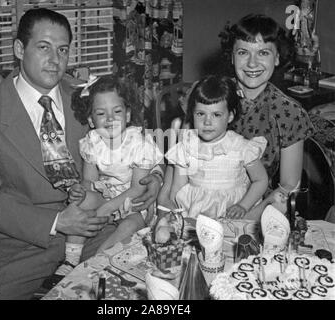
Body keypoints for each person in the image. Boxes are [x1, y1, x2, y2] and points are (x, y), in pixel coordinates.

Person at [0, 8, 161, 300]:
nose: (55, 59)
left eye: (62, 49)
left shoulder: (89, 98)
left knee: (144, 285)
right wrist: (57, 222)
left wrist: (154, 176)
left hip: (93, 227)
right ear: (18, 49)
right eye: (43, 47)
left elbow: (133, 143)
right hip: (15, 245)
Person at [54, 75, 163, 276]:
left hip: (134, 203)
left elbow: (137, 189)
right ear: (91, 120)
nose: (110, 119)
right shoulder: (92, 142)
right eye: (101, 113)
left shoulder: (140, 144)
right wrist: (81, 191)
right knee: (81, 202)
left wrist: (107, 208)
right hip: (106, 196)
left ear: (128, 115)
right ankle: (70, 260)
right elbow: (90, 181)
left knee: (129, 225)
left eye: (117, 111)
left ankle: (95, 263)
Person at [220, 13, 315, 219]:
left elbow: (289, 185)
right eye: (243, 52)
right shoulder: (213, 97)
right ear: (231, 56)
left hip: (258, 206)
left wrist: (247, 218)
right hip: (206, 192)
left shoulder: (289, 113)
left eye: (263, 53)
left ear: (278, 57)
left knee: (281, 203)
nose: (252, 63)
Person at [157, 74, 268, 221]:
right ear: (192, 114)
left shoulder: (241, 147)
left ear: (230, 116)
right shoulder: (186, 148)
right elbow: (177, 189)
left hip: (233, 213)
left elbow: (261, 180)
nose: (207, 122)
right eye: (200, 114)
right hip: (195, 214)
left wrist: (243, 206)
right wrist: (177, 214)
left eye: (216, 115)